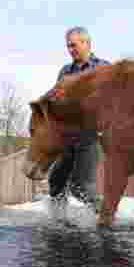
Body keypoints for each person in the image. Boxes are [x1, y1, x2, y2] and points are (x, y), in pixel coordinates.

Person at [48, 26, 109, 213]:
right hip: (69, 136)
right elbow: (55, 99)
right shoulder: (65, 72)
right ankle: (59, 220)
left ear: (86, 43)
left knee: (81, 186)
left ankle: (106, 217)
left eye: (74, 45)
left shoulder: (103, 68)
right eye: (68, 46)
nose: (70, 50)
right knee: (56, 180)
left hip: (92, 135)